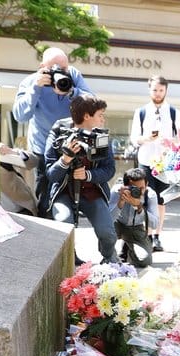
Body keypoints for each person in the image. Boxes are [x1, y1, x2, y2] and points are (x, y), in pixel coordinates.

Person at [12, 47, 93, 217]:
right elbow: (20, 115)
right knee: (45, 197)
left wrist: (72, 91)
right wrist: (36, 88)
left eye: (63, 68)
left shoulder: (73, 76)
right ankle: (46, 235)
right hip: (43, 149)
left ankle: (68, 236)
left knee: (72, 198)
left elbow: (92, 104)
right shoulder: (31, 82)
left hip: (71, 148)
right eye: (54, 68)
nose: (60, 73)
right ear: (42, 66)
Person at [45, 94, 119, 264]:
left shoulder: (100, 136)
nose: (103, 119)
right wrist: (65, 160)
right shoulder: (59, 132)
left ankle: (109, 256)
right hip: (63, 192)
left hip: (92, 191)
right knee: (64, 225)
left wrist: (88, 175)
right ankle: (69, 258)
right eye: (100, 115)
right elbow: (51, 174)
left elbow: (109, 169)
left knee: (107, 233)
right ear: (87, 116)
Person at [129, 75, 180, 253]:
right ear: (149, 89)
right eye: (154, 90)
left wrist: (173, 145)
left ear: (166, 90)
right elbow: (134, 138)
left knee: (160, 201)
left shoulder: (174, 112)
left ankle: (157, 237)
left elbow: (179, 138)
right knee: (145, 200)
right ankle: (146, 234)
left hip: (165, 163)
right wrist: (147, 138)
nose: (158, 93)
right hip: (146, 161)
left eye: (161, 90)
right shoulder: (141, 111)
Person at [109, 167, 159, 268]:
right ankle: (109, 254)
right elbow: (108, 220)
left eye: (142, 188)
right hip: (117, 224)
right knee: (105, 235)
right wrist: (120, 202)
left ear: (147, 185)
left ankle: (130, 251)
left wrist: (139, 207)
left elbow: (154, 224)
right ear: (125, 186)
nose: (139, 193)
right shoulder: (117, 191)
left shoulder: (150, 195)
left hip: (136, 228)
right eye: (135, 189)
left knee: (145, 261)